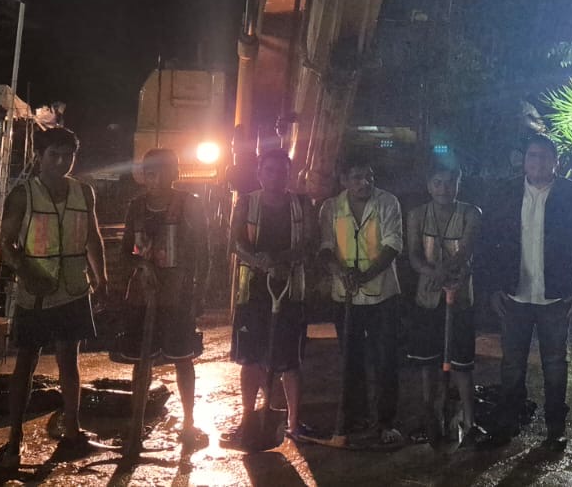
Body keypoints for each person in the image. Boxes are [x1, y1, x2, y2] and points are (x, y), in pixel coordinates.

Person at [0, 127, 109, 468]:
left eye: (67, 155)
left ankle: (73, 431)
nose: (61, 162)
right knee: (26, 362)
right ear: (38, 157)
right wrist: (26, 273)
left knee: (70, 361)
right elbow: (6, 243)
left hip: (73, 289)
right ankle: (14, 438)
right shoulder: (23, 194)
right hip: (36, 295)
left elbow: (93, 237)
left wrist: (101, 278)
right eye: (53, 155)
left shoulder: (84, 192)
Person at [478, 134, 572, 449]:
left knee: (555, 365)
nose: (538, 162)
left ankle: (555, 428)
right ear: (524, 160)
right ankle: (508, 423)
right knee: (511, 364)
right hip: (514, 295)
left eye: (545, 156)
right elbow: (487, 242)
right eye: (532, 155)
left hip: (556, 296)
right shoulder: (505, 193)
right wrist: (492, 287)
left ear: (556, 161)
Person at [223, 151, 318, 450]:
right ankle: (248, 419)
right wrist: (260, 262)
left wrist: (282, 260)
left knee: (290, 360)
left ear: (289, 175)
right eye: (270, 170)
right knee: (250, 358)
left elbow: (310, 242)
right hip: (253, 292)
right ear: (260, 173)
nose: (276, 176)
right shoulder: (246, 202)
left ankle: (294, 422)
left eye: (282, 171)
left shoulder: (302, 204)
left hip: (291, 291)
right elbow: (235, 242)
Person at [116, 148, 208, 450]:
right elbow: (125, 252)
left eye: (162, 172)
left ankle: (189, 422)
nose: (156, 179)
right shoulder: (136, 207)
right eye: (150, 173)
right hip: (142, 295)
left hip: (178, 296)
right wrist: (141, 267)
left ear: (174, 174)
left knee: (183, 359)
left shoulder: (190, 204)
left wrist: (199, 293)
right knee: (141, 361)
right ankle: (137, 423)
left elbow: (202, 252)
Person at [319, 151, 405, 445]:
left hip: (383, 295)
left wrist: (365, 276)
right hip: (345, 296)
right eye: (357, 177)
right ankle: (355, 417)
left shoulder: (388, 202)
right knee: (351, 359)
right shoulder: (331, 208)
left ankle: (386, 422)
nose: (364, 182)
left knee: (385, 359)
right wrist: (341, 273)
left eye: (369, 176)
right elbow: (326, 248)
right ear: (344, 180)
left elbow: (393, 246)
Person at [403, 164, 482, 445]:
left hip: (460, 297)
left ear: (458, 184)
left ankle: (469, 422)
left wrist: (444, 273)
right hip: (427, 298)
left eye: (450, 183)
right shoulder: (416, 215)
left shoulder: (471, 213)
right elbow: (414, 255)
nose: (444, 189)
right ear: (429, 185)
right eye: (437, 183)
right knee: (427, 361)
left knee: (462, 363)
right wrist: (432, 272)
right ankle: (430, 415)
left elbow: (466, 251)